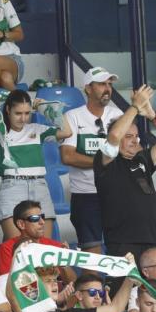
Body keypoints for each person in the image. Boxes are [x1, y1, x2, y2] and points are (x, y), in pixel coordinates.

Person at [0, 90, 71, 239]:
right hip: (12, 187)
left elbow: (67, 132)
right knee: (17, 246)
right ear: (8, 110)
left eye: (27, 113)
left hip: (39, 185)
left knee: (43, 246)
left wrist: (46, 108)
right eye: (18, 113)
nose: (23, 118)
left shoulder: (37, 129)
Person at [94, 85, 156, 260]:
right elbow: (114, 136)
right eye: (128, 136)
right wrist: (134, 107)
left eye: (136, 136)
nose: (135, 141)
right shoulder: (106, 160)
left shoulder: (143, 159)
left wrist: (152, 115)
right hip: (123, 243)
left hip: (152, 241)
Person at [60, 67, 125, 255]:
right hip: (86, 195)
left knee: (121, 249)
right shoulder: (72, 116)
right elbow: (67, 156)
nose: (108, 88)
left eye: (109, 84)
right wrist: (104, 162)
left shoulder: (118, 115)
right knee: (91, 252)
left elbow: (128, 151)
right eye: (102, 84)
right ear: (88, 89)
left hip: (116, 193)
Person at [0, 201, 71, 277]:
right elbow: (7, 281)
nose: (42, 222)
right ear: (21, 224)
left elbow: (73, 281)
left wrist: (64, 263)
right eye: (35, 218)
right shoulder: (7, 248)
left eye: (42, 217)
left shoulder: (55, 246)